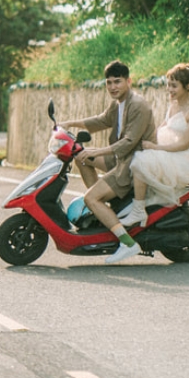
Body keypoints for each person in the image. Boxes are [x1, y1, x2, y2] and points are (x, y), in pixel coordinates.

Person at [60, 59, 156, 265]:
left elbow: (129, 142)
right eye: (109, 82)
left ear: (128, 81)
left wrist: (96, 150)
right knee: (81, 158)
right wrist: (69, 123)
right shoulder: (118, 103)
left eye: (117, 82)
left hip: (133, 164)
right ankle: (104, 210)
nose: (113, 87)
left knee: (90, 198)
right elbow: (101, 120)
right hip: (121, 159)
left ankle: (128, 243)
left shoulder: (138, 106)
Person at [119, 62, 189, 232]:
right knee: (136, 153)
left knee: (141, 161)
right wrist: (146, 139)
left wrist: (155, 147)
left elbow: (185, 143)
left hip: (185, 156)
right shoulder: (173, 102)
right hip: (169, 147)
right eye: (168, 85)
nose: (169, 89)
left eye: (174, 86)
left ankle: (139, 210)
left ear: (187, 86)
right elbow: (164, 125)